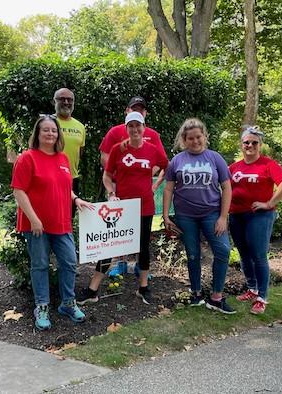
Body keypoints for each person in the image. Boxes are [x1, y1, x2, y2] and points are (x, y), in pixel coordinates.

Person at [11, 115, 94, 330]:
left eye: (54, 130)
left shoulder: (62, 159)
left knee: (68, 262)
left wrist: (76, 199)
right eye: (45, 130)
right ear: (37, 134)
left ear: (58, 134)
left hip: (61, 221)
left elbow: (64, 186)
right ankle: (42, 306)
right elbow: (18, 191)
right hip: (36, 225)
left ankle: (68, 303)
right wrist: (34, 219)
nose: (50, 134)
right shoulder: (27, 158)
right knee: (39, 265)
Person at [77, 112, 168, 305]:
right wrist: (111, 193)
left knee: (143, 247)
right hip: (121, 208)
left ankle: (143, 288)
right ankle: (92, 290)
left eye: (138, 125)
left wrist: (155, 185)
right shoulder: (118, 150)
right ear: (126, 129)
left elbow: (166, 167)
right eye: (131, 126)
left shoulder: (153, 150)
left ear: (144, 128)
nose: (135, 129)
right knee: (110, 246)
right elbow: (107, 176)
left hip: (144, 207)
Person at [162, 118, 235, 314]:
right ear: (184, 140)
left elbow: (227, 188)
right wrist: (166, 216)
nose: (195, 141)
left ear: (205, 137)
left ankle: (216, 297)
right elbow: (168, 189)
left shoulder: (215, 158)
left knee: (222, 251)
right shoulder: (177, 160)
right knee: (193, 254)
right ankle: (196, 293)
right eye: (190, 138)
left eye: (198, 137)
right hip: (186, 216)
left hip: (212, 214)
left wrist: (223, 217)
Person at [98, 96, 167, 277]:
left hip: (142, 191)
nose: (137, 111)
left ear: (145, 115)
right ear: (126, 111)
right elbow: (105, 157)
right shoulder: (115, 132)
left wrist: (147, 175)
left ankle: (139, 266)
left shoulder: (153, 135)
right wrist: (117, 178)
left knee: (142, 232)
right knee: (119, 230)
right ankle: (120, 263)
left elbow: (162, 162)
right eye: (133, 108)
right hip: (117, 188)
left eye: (141, 109)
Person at [228, 126, 282, 315]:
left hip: (259, 216)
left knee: (258, 255)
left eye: (254, 142)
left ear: (260, 145)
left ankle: (262, 297)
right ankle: (252, 289)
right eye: (246, 142)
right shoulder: (234, 167)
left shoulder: (268, 164)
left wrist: (269, 203)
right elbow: (223, 188)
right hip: (236, 215)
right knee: (244, 254)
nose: (250, 145)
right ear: (241, 145)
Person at [53, 88, 86, 217]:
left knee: (68, 218)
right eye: (62, 99)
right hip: (51, 178)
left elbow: (79, 151)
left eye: (70, 100)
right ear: (54, 102)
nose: (66, 102)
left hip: (72, 178)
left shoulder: (80, 126)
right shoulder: (48, 123)